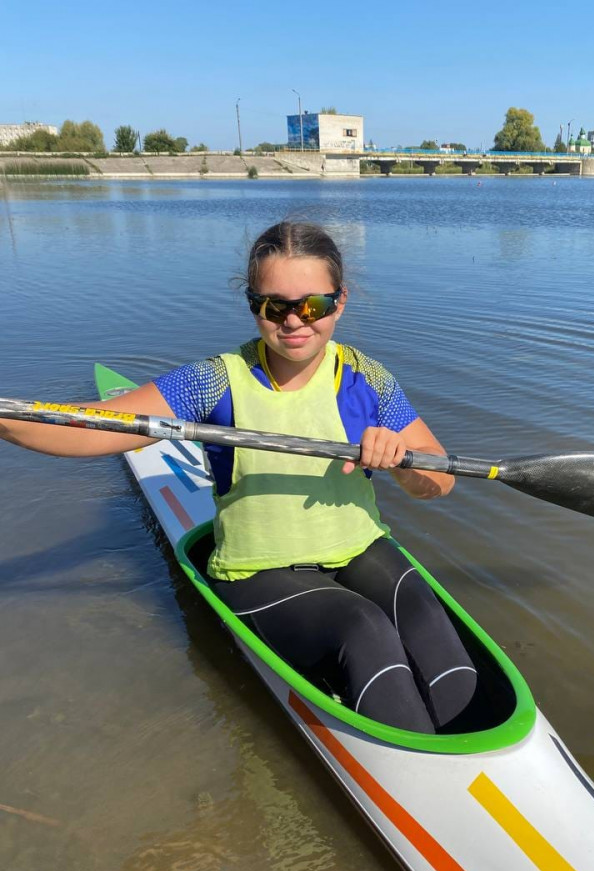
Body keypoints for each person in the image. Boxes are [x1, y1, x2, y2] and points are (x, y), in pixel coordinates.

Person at [0, 221, 477, 734]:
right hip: (257, 573)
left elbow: (441, 477)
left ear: (340, 302)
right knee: (364, 629)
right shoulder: (212, 382)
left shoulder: (369, 378)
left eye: (312, 305)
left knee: (433, 631)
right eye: (274, 306)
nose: (294, 321)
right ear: (253, 305)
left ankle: (469, 742)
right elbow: (88, 429)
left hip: (361, 550)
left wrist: (405, 463)